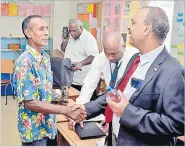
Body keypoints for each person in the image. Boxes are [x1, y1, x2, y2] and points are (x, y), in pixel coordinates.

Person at [69, 6, 184, 146]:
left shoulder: (172, 70)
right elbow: (115, 95)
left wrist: (128, 112)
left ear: (147, 29)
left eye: (134, 23)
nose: (128, 27)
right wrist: (85, 109)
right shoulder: (135, 59)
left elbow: (177, 123)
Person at [13, 15, 86, 146]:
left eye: (46, 28)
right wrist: (65, 111)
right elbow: (30, 102)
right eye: (41, 29)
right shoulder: (25, 62)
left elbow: (44, 89)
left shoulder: (45, 58)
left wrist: (61, 98)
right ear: (27, 32)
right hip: (34, 131)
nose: (46, 33)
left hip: (48, 125)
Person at [61, 19, 99, 92]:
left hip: (82, 81)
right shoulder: (70, 37)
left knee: (82, 102)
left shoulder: (88, 38)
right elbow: (63, 49)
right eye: (70, 30)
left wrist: (81, 63)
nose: (72, 33)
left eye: (74, 31)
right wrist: (65, 39)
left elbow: (94, 56)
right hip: (69, 79)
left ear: (81, 28)